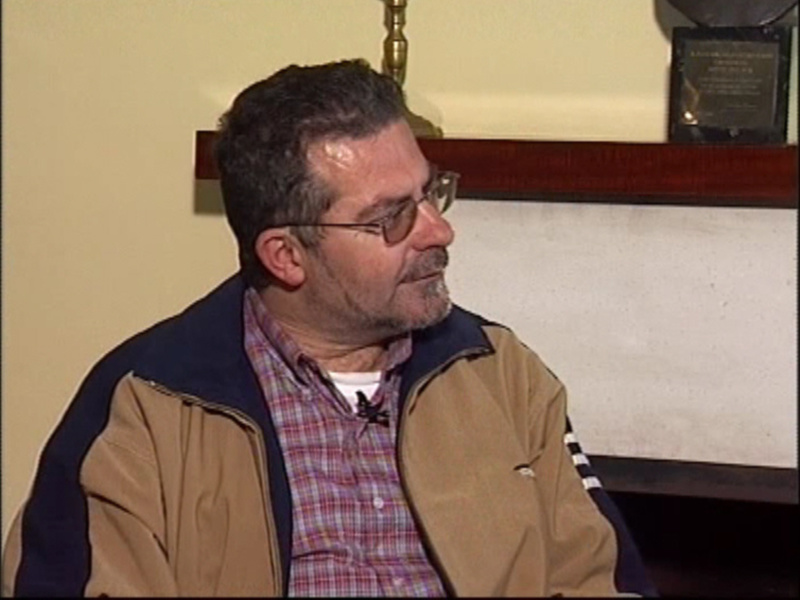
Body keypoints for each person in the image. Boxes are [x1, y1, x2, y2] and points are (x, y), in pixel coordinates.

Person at [2, 59, 656, 597]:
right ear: (286, 256)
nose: (439, 231)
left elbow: (602, 579)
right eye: (391, 217)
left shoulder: (500, 372)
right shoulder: (144, 407)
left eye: (430, 193)